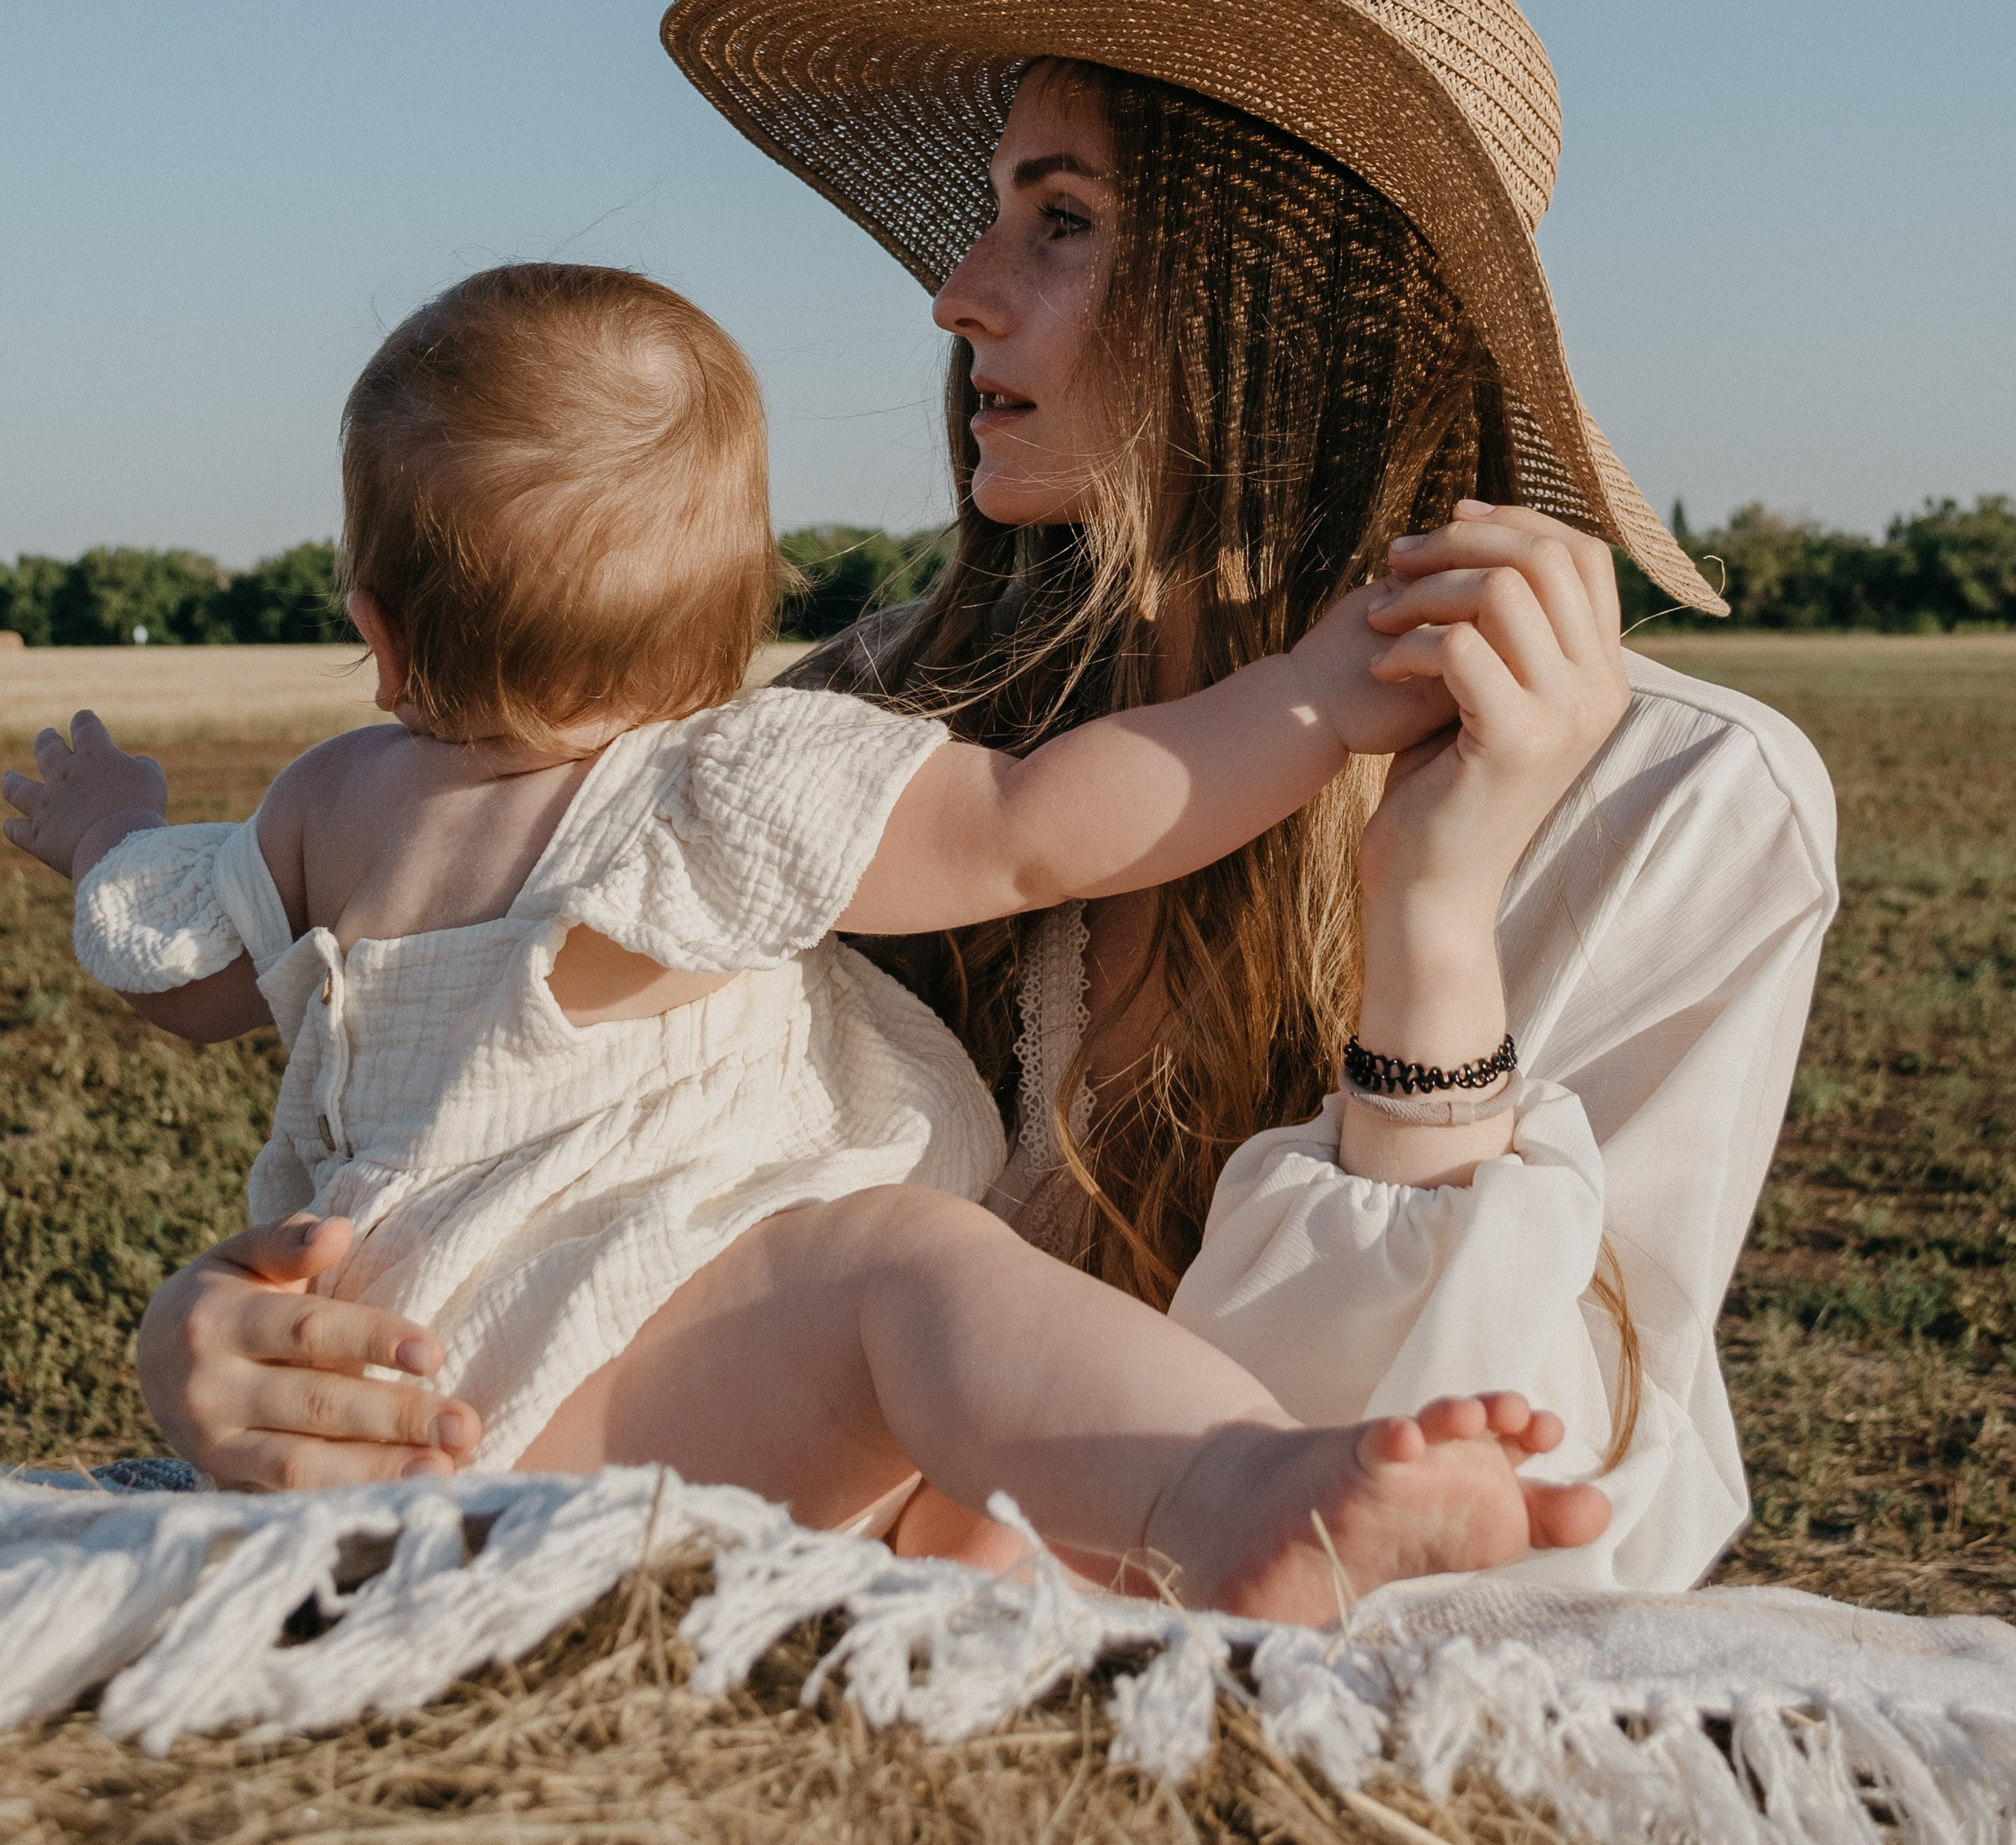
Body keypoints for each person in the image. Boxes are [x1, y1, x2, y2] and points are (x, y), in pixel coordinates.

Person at [123, 0, 1836, 1590]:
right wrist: (233, 1339)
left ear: (1296, 300)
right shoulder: (847, 731)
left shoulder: (1682, 811)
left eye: (1061, 218)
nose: (955, 295)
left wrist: (1436, 931)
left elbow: (1539, 1545)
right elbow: (520, 1142)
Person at [6, 259, 1609, 1619]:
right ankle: (1237, 1487)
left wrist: (104, 829)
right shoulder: (717, 787)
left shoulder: (330, 806)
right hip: (611, 1374)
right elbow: (1044, 820)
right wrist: (1323, 694)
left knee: (960, 1501)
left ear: (374, 623)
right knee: (902, 1279)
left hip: (409, 1390)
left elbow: (185, 974)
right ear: (741, 604)